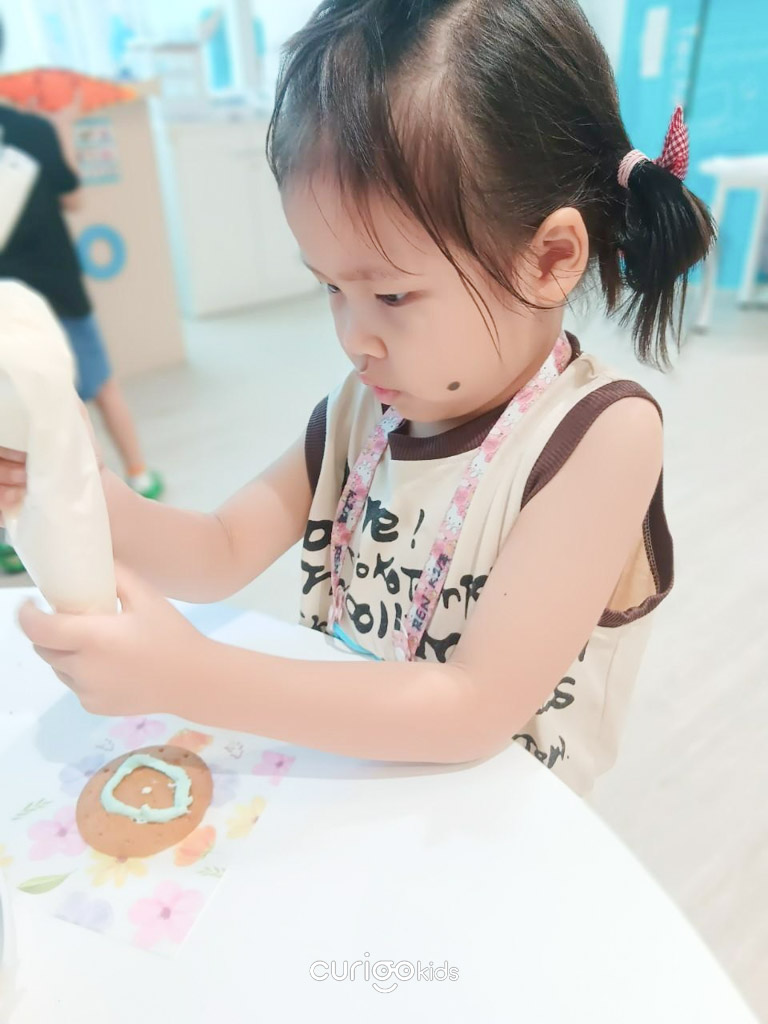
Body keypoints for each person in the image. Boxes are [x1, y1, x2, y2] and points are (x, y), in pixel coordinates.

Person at [0, 0, 714, 796]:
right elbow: (219, 551)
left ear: (548, 260)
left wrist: (189, 676)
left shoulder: (600, 436)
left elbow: (474, 708)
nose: (353, 337)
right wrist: (81, 489)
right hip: (359, 787)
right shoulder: (364, 408)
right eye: (331, 288)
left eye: (392, 295)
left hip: (495, 823)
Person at [0, 23, 163, 574]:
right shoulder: (30, 129)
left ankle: (13, 531)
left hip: (6, 307)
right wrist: (63, 128)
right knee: (100, 384)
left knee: (15, 413)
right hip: (58, 287)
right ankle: (140, 475)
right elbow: (72, 198)